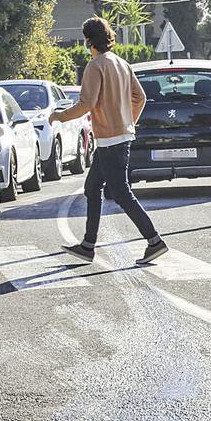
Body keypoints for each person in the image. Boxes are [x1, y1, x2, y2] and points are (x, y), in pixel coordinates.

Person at [52, 17, 167, 265]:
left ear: (89, 40)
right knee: (93, 188)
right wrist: (128, 121)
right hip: (118, 137)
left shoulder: (95, 67)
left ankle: (154, 240)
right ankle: (87, 245)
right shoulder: (122, 64)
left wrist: (60, 116)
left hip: (110, 139)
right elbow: (141, 97)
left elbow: (87, 103)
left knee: (122, 193)